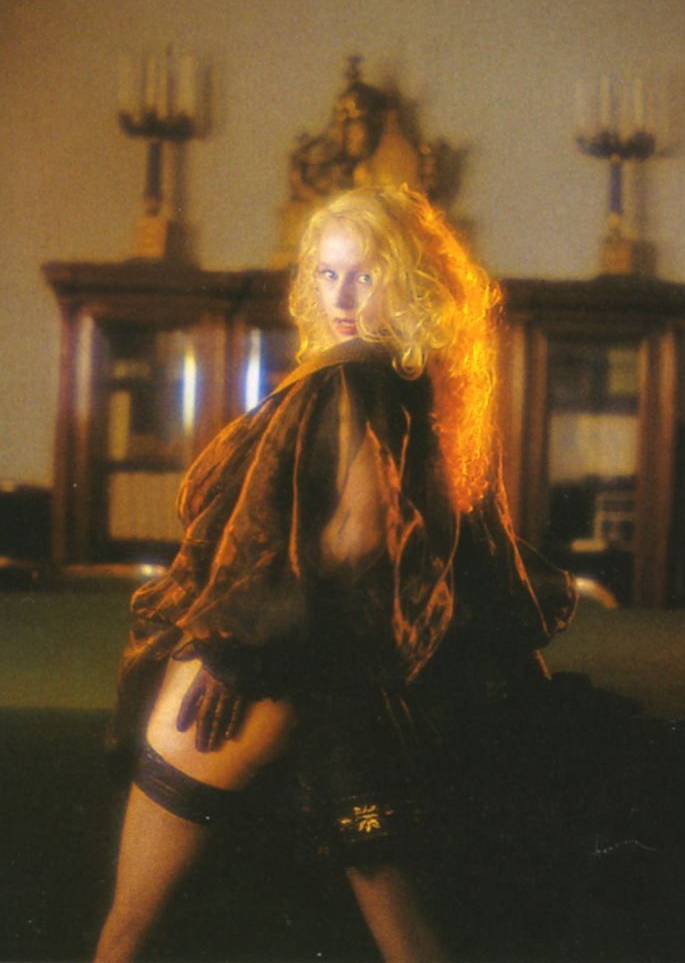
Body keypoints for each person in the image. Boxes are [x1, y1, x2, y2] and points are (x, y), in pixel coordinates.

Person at [94, 185, 575, 962]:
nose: (342, 297)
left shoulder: (348, 375)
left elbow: (356, 537)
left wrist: (246, 641)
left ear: (406, 279)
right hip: (366, 680)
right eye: (326, 273)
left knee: (128, 926)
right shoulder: (428, 381)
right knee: (403, 929)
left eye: (364, 274)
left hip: (282, 660)